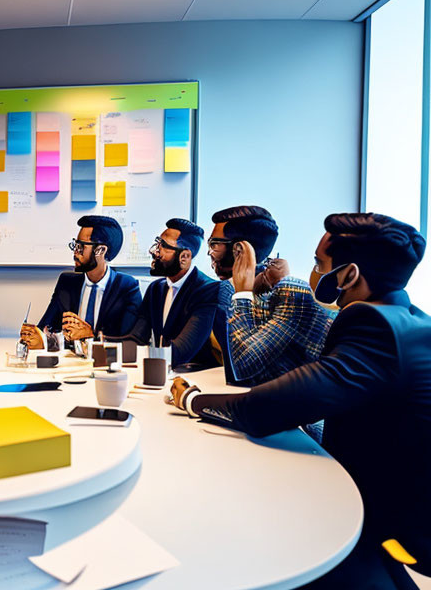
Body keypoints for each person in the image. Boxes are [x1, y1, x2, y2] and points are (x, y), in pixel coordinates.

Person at [168, 213, 431, 588]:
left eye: (318, 264)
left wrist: (191, 400)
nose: (309, 272)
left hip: (385, 520)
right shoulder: (408, 317)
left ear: (348, 276)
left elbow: (263, 408)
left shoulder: (374, 328)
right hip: (388, 503)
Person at [207, 205, 333, 386]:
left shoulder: (291, 291)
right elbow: (234, 377)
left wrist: (242, 294)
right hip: (257, 399)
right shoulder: (227, 290)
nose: (210, 253)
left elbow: (243, 368)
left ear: (239, 249)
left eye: (214, 244)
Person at [21, 215, 141, 349]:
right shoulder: (67, 282)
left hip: (106, 364)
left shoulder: (126, 286)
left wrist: (91, 335)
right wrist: (36, 336)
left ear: (101, 250)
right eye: (75, 245)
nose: (75, 253)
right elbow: (46, 327)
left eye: (82, 247)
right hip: (69, 363)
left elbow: (132, 340)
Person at [125, 218, 226, 369]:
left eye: (164, 247)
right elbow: (136, 337)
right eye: (158, 244)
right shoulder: (155, 289)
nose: (155, 252)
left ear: (184, 257)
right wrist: (96, 343)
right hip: (162, 373)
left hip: (196, 379)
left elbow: (182, 351)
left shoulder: (208, 290)